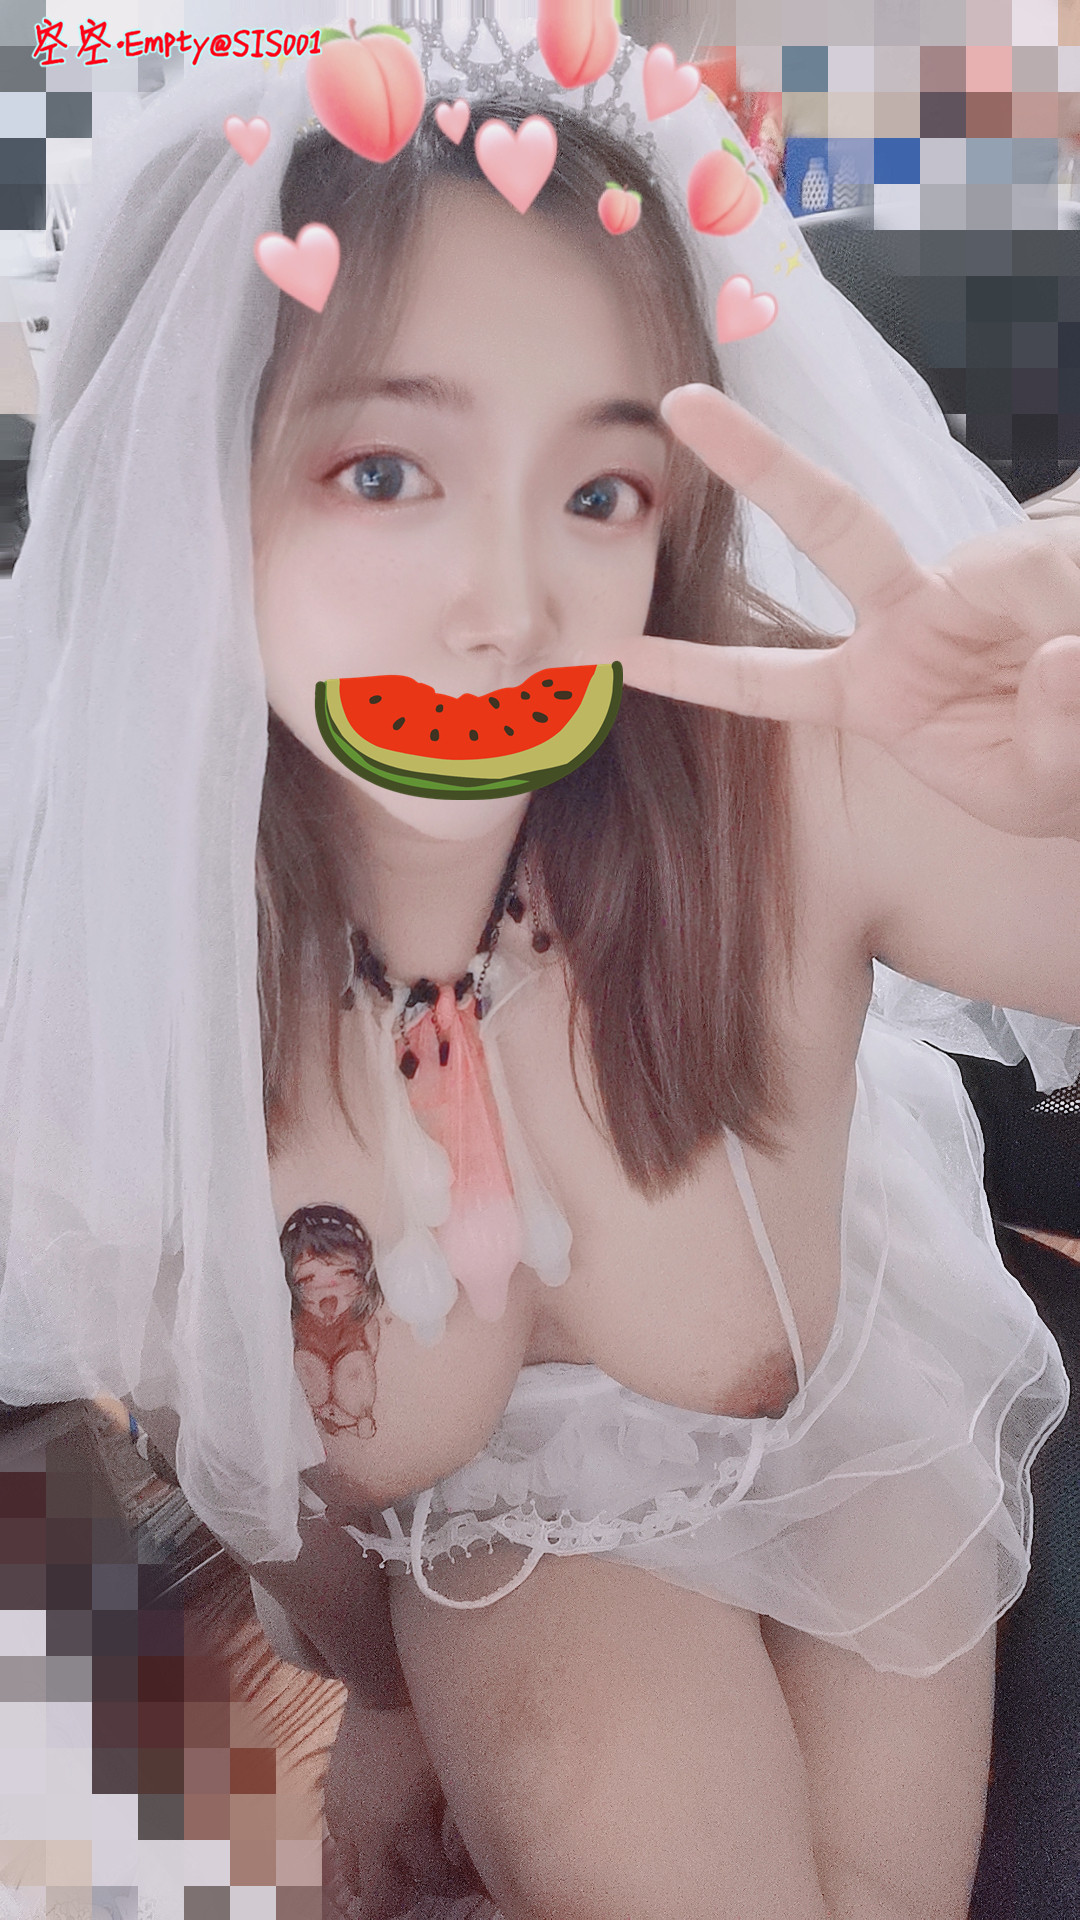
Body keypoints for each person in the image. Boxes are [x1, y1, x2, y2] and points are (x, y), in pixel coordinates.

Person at [3, 9, 1080, 1918]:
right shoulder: (129, 972)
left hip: (863, 1434)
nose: (506, 608)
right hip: (501, 1556)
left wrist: (1054, 774)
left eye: (599, 495)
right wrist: (386, 1706)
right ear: (193, 487)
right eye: (385, 474)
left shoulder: (789, 777)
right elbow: (257, 1463)